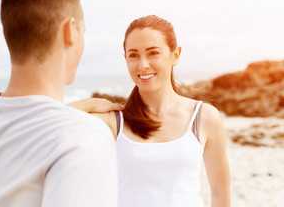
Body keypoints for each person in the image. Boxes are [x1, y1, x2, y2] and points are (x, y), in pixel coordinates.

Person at [0, 0, 119, 206]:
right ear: (70, 30)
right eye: (83, 31)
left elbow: (23, 119)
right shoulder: (85, 137)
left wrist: (78, 108)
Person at [92, 15, 231, 206]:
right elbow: (48, 123)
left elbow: (220, 194)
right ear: (125, 58)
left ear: (175, 55)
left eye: (153, 53)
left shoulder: (204, 117)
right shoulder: (113, 121)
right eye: (133, 55)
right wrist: (86, 105)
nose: (143, 65)